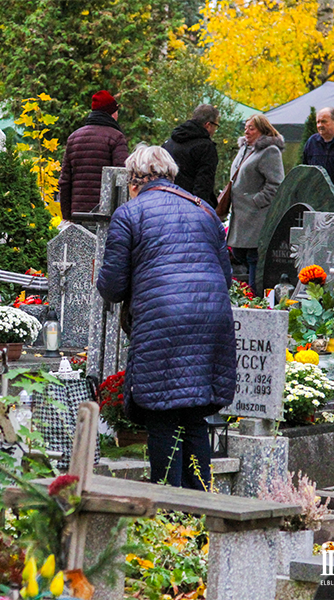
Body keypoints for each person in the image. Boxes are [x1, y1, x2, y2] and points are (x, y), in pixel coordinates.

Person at [96, 144, 236, 490]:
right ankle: (200, 506)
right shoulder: (205, 210)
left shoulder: (130, 214)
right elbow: (226, 277)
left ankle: (168, 511)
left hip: (163, 321)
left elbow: (112, 287)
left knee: (161, 415)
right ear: (171, 176)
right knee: (194, 415)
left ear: (135, 180)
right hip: (210, 320)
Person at [226, 114, 285, 295]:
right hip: (240, 214)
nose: (247, 131)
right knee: (239, 254)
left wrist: (256, 200)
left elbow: (276, 183)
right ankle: (249, 296)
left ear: (263, 130)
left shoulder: (269, 151)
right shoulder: (245, 149)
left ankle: (255, 298)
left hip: (255, 217)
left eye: (251, 128)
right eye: (246, 127)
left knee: (254, 258)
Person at [58, 90, 129, 221]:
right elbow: (123, 178)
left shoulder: (74, 137)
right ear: (111, 113)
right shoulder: (116, 137)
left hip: (78, 214)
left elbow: (64, 181)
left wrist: (67, 216)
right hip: (105, 215)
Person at [162, 104, 220, 207]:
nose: (215, 130)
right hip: (188, 204)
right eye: (216, 126)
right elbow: (204, 183)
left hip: (165, 200)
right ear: (208, 125)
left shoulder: (170, 142)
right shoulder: (206, 147)